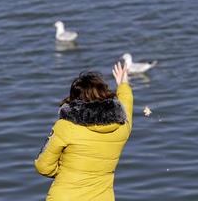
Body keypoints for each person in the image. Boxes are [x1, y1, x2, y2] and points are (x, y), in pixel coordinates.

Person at [35, 61, 133, 201]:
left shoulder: (65, 127)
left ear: (74, 100)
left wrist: (66, 171)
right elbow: (126, 107)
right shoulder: (122, 127)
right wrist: (124, 85)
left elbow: (43, 166)